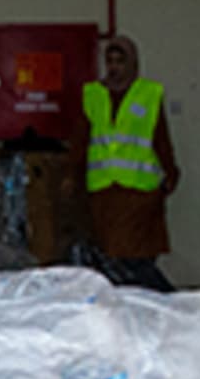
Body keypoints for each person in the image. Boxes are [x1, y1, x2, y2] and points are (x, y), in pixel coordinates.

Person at [64, 34, 179, 290]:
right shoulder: (93, 94)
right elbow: (81, 139)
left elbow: (160, 138)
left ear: (133, 64)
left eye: (120, 61)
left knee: (132, 256)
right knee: (115, 256)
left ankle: (163, 299)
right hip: (105, 190)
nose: (114, 67)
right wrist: (72, 173)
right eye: (110, 61)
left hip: (139, 191)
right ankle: (155, 300)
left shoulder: (148, 94)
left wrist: (170, 173)